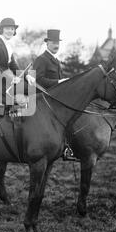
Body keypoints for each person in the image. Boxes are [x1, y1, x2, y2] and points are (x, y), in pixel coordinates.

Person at [33, 29, 75, 161]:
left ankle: (65, 148)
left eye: (58, 43)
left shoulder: (56, 61)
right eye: (53, 43)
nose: (56, 45)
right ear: (47, 43)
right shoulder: (41, 60)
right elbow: (38, 80)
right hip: (42, 101)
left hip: (54, 100)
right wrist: (59, 82)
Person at [0, 17, 35, 105]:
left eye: (12, 29)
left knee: (30, 88)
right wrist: (11, 78)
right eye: (7, 28)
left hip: (4, 81)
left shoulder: (8, 46)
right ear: (1, 30)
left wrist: (26, 76)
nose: (10, 31)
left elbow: (13, 66)